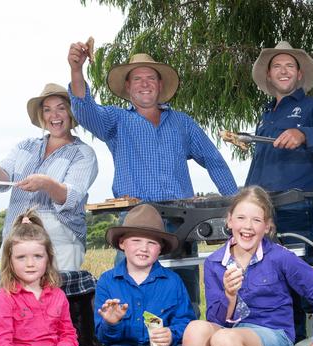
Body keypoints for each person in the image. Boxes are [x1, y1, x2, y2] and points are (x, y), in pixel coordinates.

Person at [67, 42, 238, 313]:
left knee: (184, 289)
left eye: (150, 78)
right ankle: (129, 342)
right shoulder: (116, 120)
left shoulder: (183, 123)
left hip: (181, 219)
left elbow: (214, 160)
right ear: (127, 88)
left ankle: (185, 343)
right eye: (137, 79)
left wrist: (235, 205)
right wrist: (77, 70)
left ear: (160, 85)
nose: (144, 84)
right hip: (136, 218)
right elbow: (84, 110)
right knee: (130, 289)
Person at [246, 40, 313, 344]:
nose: (284, 70)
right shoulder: (266, 116)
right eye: (277, 66)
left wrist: (304, 133)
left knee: (303, 282)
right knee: (267, 281)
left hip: (295, 209)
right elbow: (260, 166)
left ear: (299, 75)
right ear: (269, 76)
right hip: (264, 214)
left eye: (290, 65)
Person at [182, 186, 313, 346]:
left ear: (267, 226)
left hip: (272, 334)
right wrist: (229, 296)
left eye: (256, 220)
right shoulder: (214, 262)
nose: (247, 226)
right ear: (229, 220)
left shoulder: (280, 257)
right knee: (195, 329)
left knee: (224, 339)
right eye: (241, 218)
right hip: (229, 333)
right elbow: (216, 321)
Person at [0, 83, 98, 271]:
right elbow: (4, 178)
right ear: (42, 115)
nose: (54, 116)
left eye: (61, 108)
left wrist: (46, 183)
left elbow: (71, 198)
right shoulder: (25, 146)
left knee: (54, 298)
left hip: (59, 243)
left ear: (72, 112)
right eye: (47, 110)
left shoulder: (83, 153)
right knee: (12, 298)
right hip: (15, 237)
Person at [93, 204, 197, 346]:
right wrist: (111, 323)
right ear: (122, 243)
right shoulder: (107, 281)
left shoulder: (173, 281)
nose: (144, 248)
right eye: (136, 240)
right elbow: (103, 337)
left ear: (160, 248)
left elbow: (186, 322)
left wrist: (172, 333)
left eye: (152, 243)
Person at [0, 209, 79, 346]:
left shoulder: (58, 295)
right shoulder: (6, 297)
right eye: (21, 257)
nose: (30, 264)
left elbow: (67, 333)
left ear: (48, 258)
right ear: (10, 261)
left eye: (38, 256)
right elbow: (0, 342)